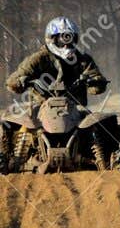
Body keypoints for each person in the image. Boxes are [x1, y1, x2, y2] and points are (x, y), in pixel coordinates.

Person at [3, 17, 111, 169]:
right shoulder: (38, 59)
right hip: (40, 106)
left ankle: (105, 161)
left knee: (95, 123)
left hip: (75, 107)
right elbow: (12, 81)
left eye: (71, 39)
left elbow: (97, 84)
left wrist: (95, 81)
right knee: (22, 120)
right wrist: (22, 80)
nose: (67, 44)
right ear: (52, 39)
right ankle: (12, 160)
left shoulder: (82, 60)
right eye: (63, 39)